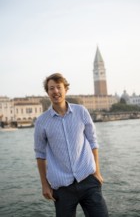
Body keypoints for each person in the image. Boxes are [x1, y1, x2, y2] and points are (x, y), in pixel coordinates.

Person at [34, 73, 109, 217]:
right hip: (62, 188)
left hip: (88, 180)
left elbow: (93, 141)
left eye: (58, 87)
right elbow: (40, 154)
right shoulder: (41, 121)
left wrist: (97, 172)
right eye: (51, 88)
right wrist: (44, 184)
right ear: (47, 92)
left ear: (65, 89)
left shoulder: (81, 111)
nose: (55, 91)